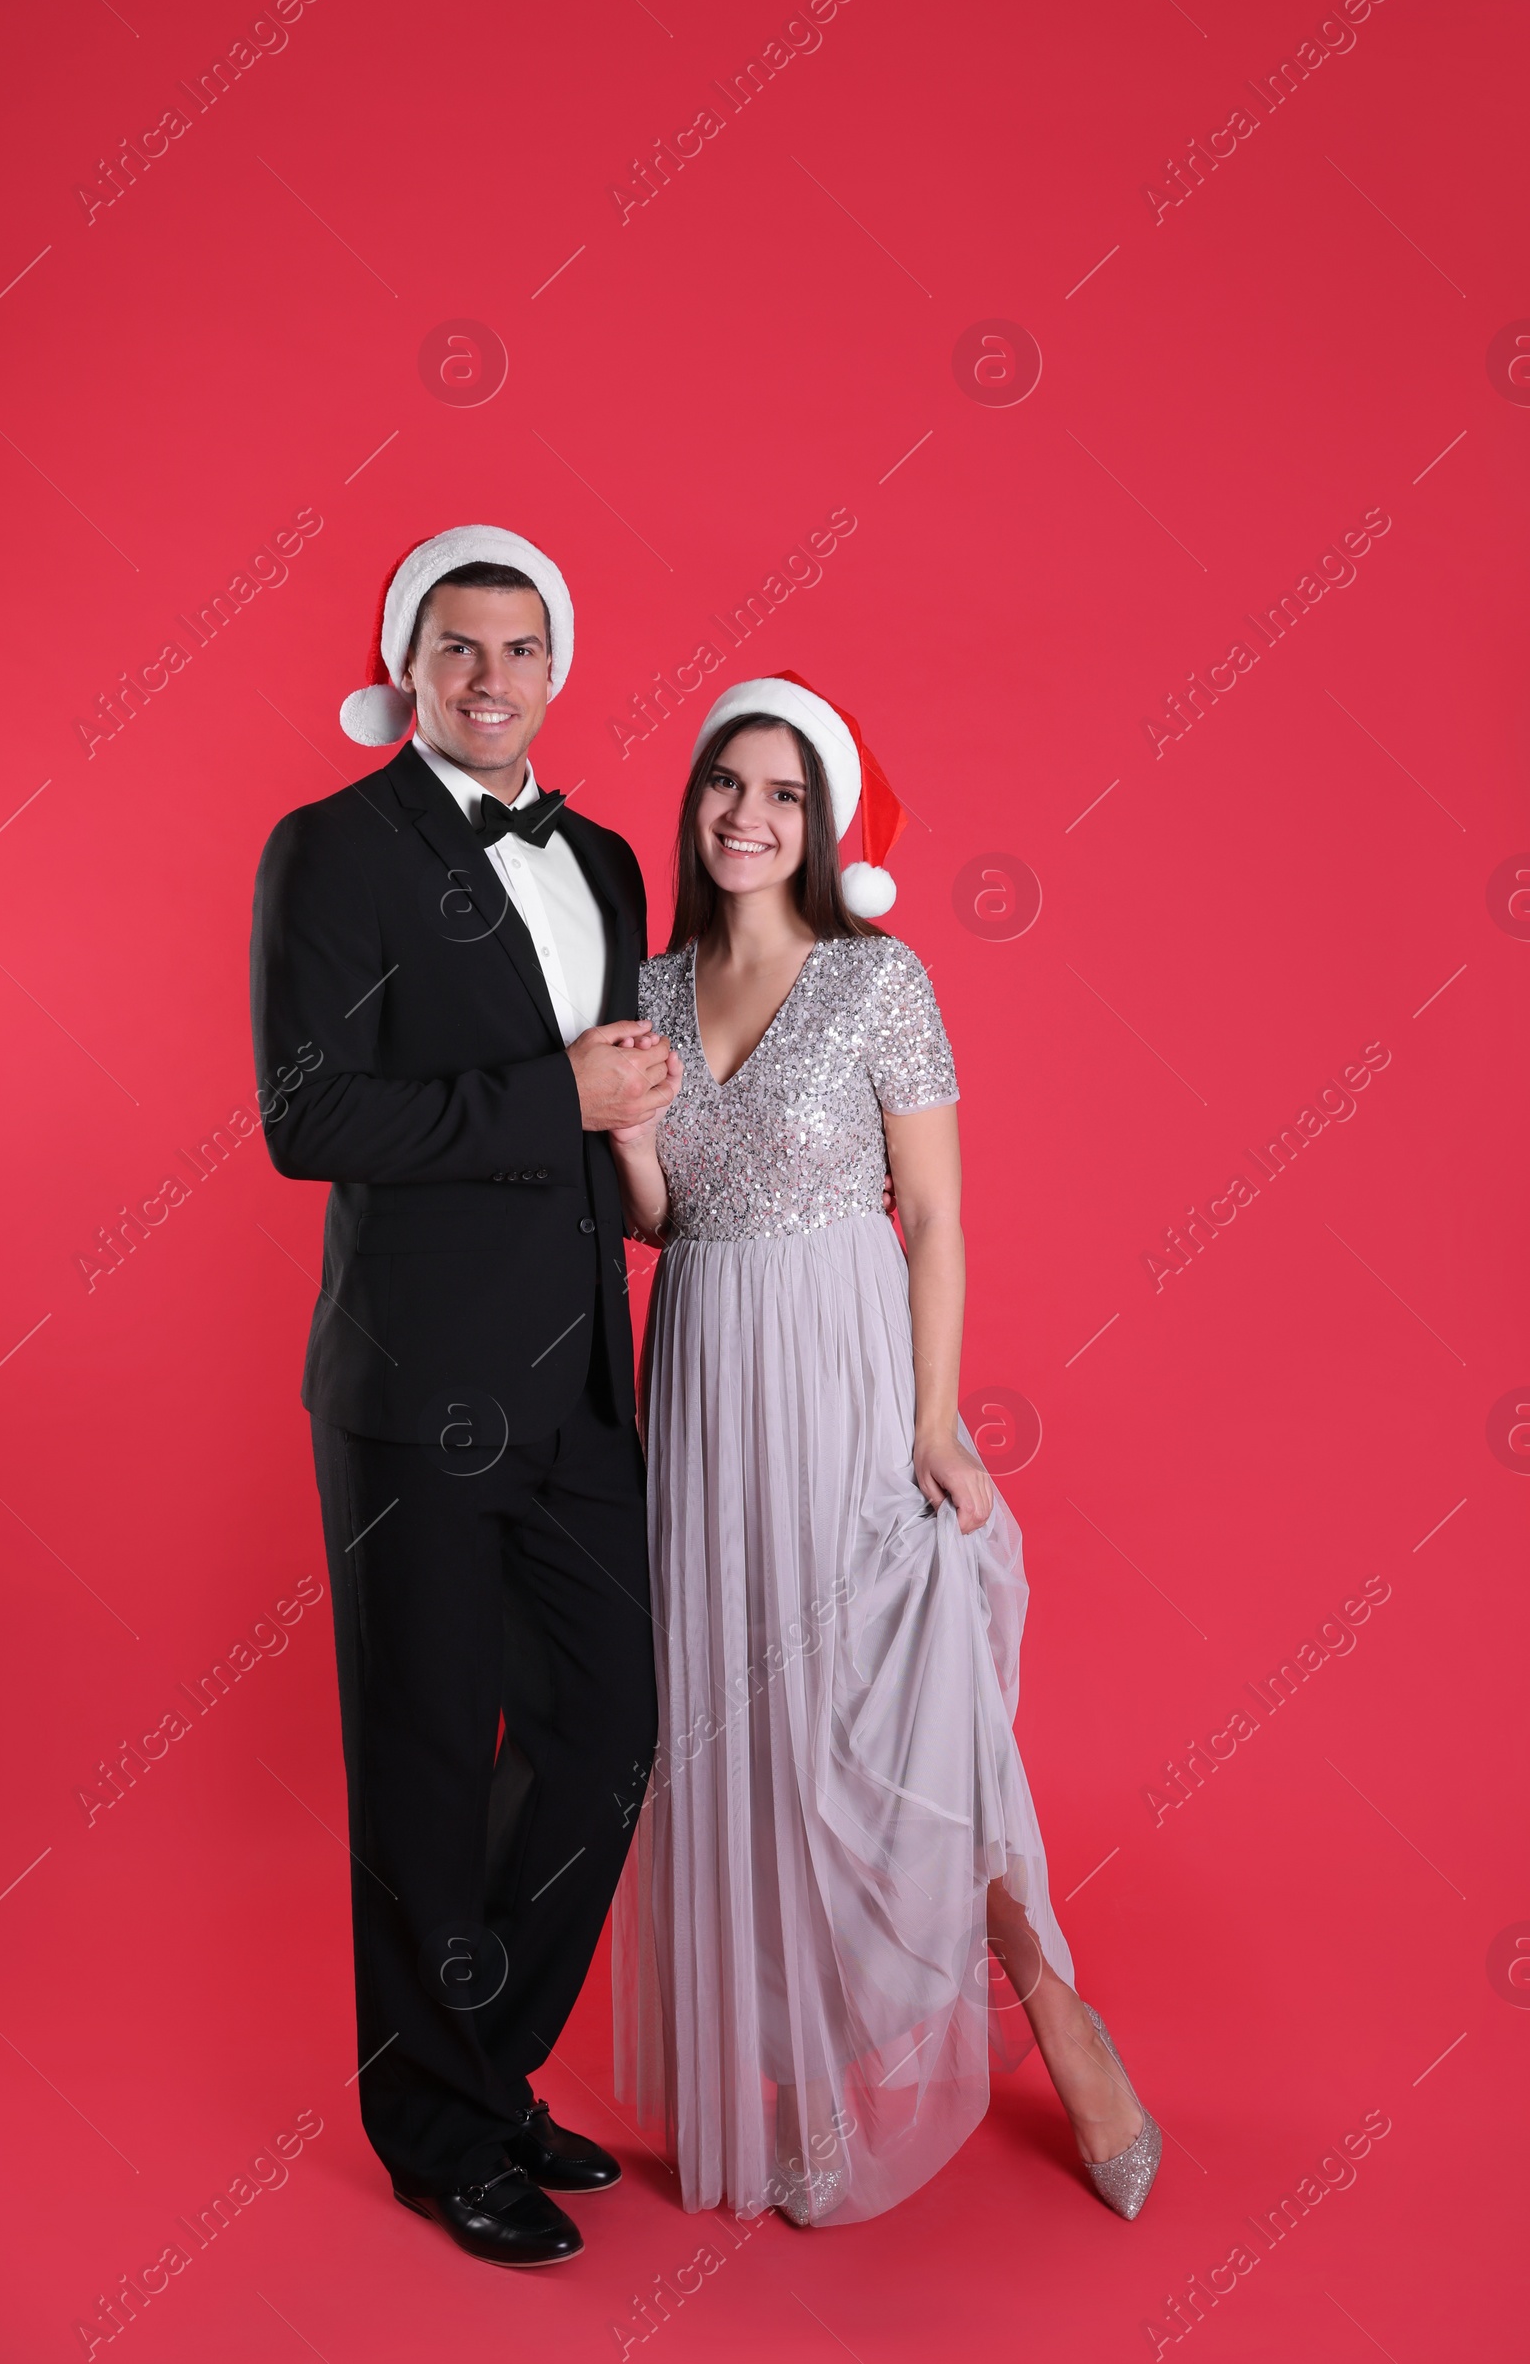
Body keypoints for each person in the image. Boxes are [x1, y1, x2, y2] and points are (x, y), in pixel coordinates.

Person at [610, 676, 1161, 2226]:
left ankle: (1059, 2015)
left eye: (782, 795)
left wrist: (932, 1420)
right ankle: (798, 2093)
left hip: (850, 1380)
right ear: (696, 799)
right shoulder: (646, 988)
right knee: (743, 1737)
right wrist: (635, 1136)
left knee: (903, 1725)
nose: (747, 817)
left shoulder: (878, 980)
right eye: (727, 785)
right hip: (709, 1385)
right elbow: (660, 1225)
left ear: (822, 824)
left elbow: (938, 1220)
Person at [250, 525, 680, 2269]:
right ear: (407, 671)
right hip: (413, 1394)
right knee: (425, 1765)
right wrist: (549, 1095)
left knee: (607, 1733)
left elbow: (631, 1104)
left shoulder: (609, 857)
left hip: (578, 1383)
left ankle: (478, 2076)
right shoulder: (331, 850)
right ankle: (437, 2131)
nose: (490, 680)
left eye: (519, 650)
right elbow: (306, 1118)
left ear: (557, 668)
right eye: (456, 650)